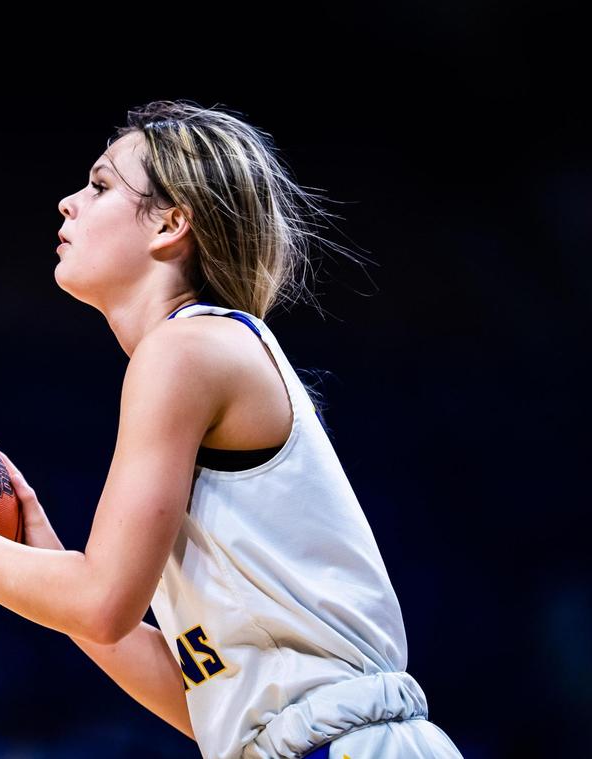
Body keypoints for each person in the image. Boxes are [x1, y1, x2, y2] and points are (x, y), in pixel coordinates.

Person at [33, 100, 464, 758]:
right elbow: (209, 707)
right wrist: (33, 546)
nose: (69, 202)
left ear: (172, 223)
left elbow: (102, 601)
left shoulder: (186, 350)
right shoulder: (196, 351)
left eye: (98, 186)